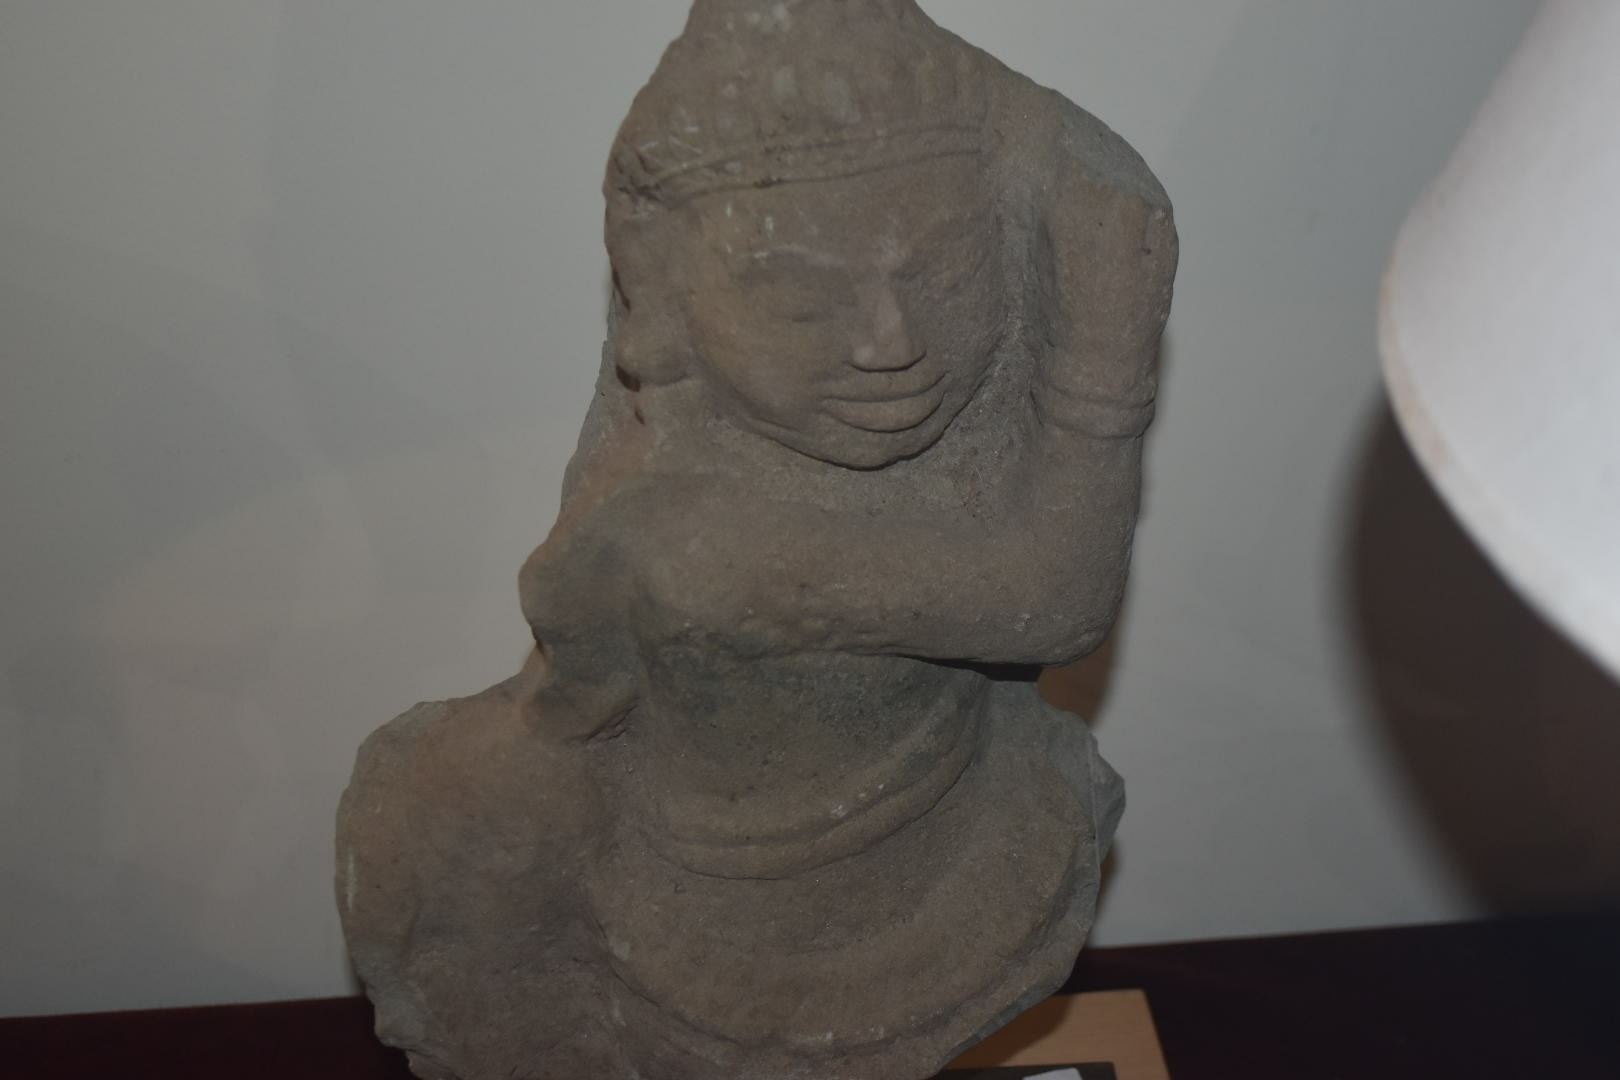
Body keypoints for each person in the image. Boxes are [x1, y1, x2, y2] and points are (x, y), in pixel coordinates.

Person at [338, 3, 1176, 1077]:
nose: (891, 345)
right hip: (781, 945)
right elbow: (1054, 598)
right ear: (666, 306)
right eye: (798, 303)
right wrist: (1102, 353)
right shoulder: (691, 541)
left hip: (964, 838)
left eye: (946, 273)